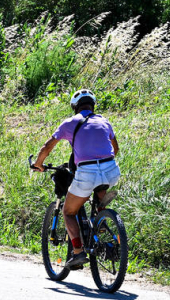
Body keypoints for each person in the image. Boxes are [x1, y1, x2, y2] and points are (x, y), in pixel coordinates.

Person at [31, 89, 121, 270]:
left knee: (68, 211)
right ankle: (100, 217)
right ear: (93, 105)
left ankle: (78, 252)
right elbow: (115, 148)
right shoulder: (104, 121)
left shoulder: (70, 123)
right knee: (99, 190)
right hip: (111, 170)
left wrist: (38, 163)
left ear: (75, 107)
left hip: (87, 172)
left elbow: (47, 146)